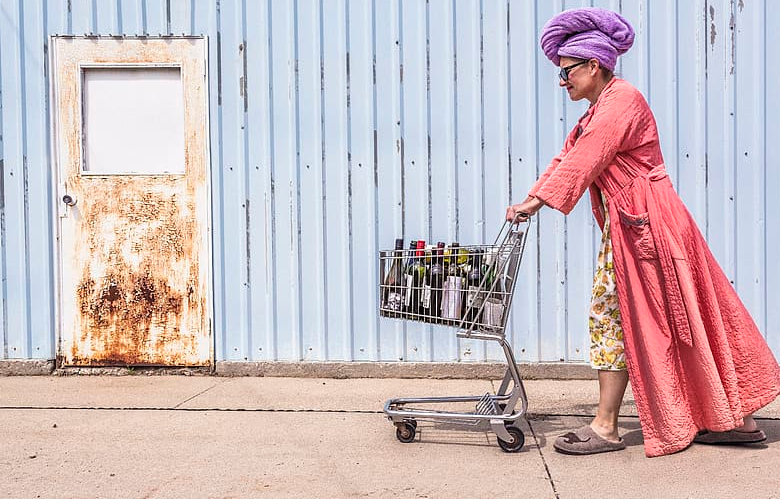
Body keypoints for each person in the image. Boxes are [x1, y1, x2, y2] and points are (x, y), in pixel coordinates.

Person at [505, 7, 780, 458]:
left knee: (613, 315)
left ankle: (608, 426)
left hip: (647, 227)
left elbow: (586, 158)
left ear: (594, 65)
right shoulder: (599, 108)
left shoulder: (622, 102)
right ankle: (736, 419)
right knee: (684, 314)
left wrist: (535, 204)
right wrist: (533, 197)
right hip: (640, 225)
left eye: (567, 71)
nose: (562, 82)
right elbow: (567, 157)